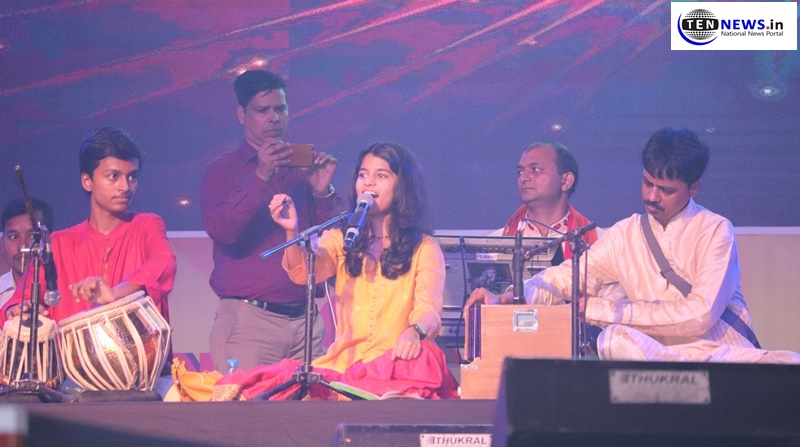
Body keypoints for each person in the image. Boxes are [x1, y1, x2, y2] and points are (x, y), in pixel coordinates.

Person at [476, 128, 800, 363]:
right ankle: (679, 378)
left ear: (694, 188)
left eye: (665, 189)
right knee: (612, 340)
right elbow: (564, 278)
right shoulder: (626, 234)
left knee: (789, 364)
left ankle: (684, 375)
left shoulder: (715, 230)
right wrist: (507, 297)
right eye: (647, 183)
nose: (652, 196)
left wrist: (599, 309)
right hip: (652, 358)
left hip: (716, 354)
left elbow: (700, 316)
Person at [2, 127, 178, 394]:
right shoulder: (58, 244)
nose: (125, 186)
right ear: (87, 181)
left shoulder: (146, 226)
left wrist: (116, 294)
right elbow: (18, 300)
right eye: (113, 176)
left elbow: (164, 264)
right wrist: (19, 311)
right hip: (69, 386)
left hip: (143, 383)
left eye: (132, 176)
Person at [201, 70, 342, 374]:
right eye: (263, 110)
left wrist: (322, 192)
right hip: (249, 323)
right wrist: (261, 175)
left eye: (280, 109)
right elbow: (222, 230)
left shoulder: (301, 170)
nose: (274, 118)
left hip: (305, 321)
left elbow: (332, 242)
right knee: (245, 405)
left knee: (311, 404)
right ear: (242, 114)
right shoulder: (222, 171)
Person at [272, 142, 446, 373]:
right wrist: (291, 231)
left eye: (381, 175)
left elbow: (429, 309)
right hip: (345, 367)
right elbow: (303, 273)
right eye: (363, 175)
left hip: (397, 366)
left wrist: (415, 331)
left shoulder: (423, 247)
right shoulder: (341, 238)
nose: (368, 182)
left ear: (402, 186)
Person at [466, 142, 599, 307]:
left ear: (566, 181)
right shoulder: (495, 243)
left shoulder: (597, 243)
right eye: (520, 172)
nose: (523, 178)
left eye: (535, 170)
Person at [0, 198, 54, 308]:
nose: (22, 246)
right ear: (2, 243)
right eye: (13, 237)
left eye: (32, 236)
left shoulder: (60, 292)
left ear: (49, 239)